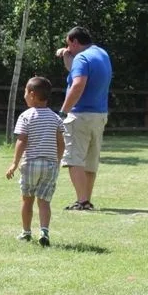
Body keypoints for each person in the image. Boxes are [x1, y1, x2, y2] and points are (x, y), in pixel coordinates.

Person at [57, 26, 112, 211]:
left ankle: (81, 202)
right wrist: (66, 55)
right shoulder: (101, 54)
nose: (68, 48)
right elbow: (75, 72)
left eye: (68, 45)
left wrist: (64, 111)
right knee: (90, 161)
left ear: (74, 41)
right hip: (99, 115)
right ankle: (86, 199)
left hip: (80, 115)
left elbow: (78, 84)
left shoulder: (81, 57)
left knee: (74, 159)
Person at [6, 76, 65, 246]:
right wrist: (57, 160)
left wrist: (14, 163)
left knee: (27, 199)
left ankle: (26, 232)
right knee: (44, 201)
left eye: (25, 91)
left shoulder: (26, 116)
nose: (24, 95)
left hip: (31, 163)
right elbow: (61, 142)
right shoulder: (55, 118)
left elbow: (22, 141)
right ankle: (44, 232)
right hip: (50, 164)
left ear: (32, 94)